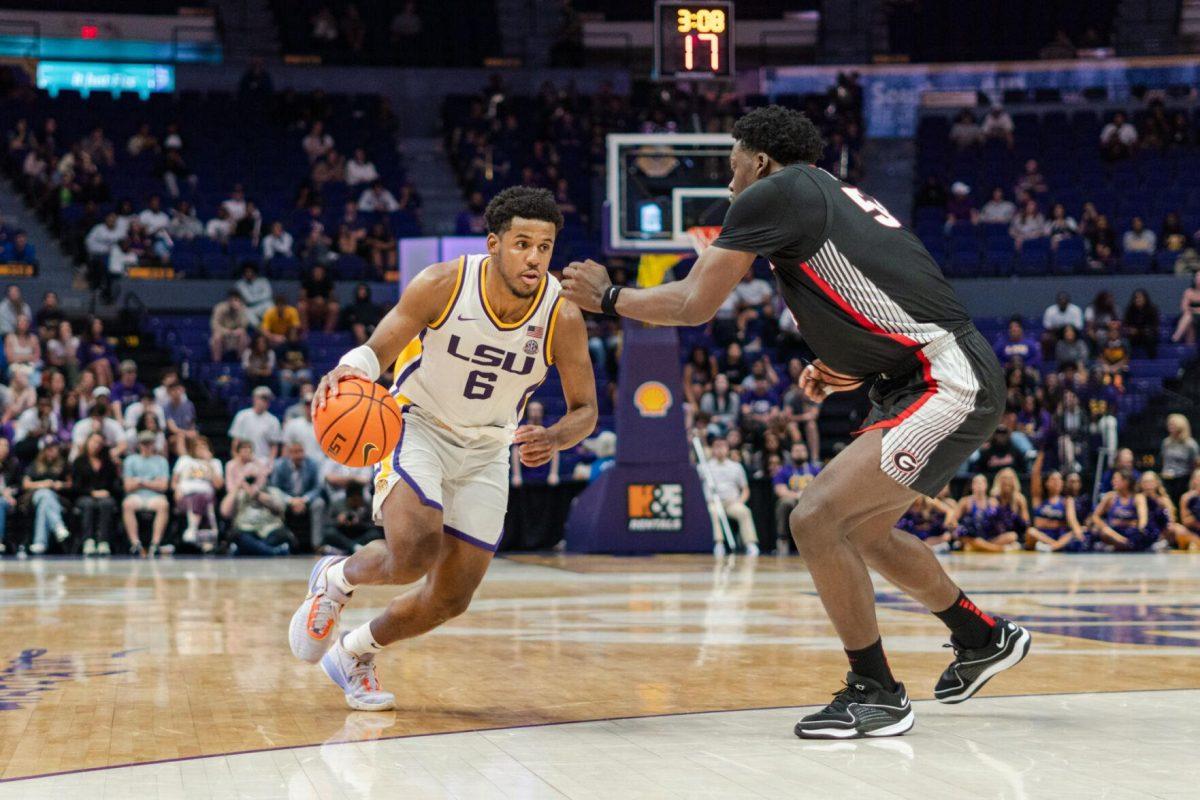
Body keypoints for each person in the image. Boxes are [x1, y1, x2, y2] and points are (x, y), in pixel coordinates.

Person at [559, 105, 1030, 739]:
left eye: (732, 167)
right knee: (864, 532)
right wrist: (849, 366)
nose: (729, 184)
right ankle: (981, 636)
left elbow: (696, 303)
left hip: (943, 380)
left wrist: (610, 299)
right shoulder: (830, 192)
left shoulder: (774, 192)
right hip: (926, 372)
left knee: (813, 518)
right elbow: (893, 293)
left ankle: (877, 691)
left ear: (758, 160)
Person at [289, 186, 597, 712]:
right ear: (494, 244)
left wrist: (555, 437)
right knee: (413, 554)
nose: (534, 258)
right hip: (417, 426)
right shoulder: (444, 283)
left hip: (488, 449)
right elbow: (379, 348)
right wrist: (349, 369)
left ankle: (354, 654)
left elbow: (585, 409)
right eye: (522, 244)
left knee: (452, 598)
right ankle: (336, 578)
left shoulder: (561, 315)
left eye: (544, 247)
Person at [704, 437, 759, 556]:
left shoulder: (736, 467)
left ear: (728, 448)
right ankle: (719, 544)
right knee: (713, 512)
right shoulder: (705, 467)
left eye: (723, 446)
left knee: (744, 512)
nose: (720, 449)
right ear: (712, 449)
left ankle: (750, 544)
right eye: (716, 446)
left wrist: (740, 501)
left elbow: (745, 489)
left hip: (732, 503)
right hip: (713, 503)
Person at [270, 439, 327, 550]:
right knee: (275, 503)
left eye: (301, 451)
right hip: (287, 498)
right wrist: (290, 500)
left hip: (306, 498)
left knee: (319, 504)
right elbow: (274, 488)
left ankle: (317, 545)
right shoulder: (280, 465)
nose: (299, 455)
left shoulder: (313, 465)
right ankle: (282, 542)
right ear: (289, 453)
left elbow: (318, 487)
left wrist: (304, 500)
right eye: (295, 452)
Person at [73, 431, 121, 556]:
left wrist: (107, 491)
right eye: (94, 442)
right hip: (84, 495)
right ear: (88, 442)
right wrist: (92, 492)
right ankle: (88, 540)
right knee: (88, 504)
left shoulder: (108, 463)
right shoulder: (79, 461)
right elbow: (75, 486)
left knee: (107, 503)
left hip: (105, 495)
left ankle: (103, 541)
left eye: (100, 443)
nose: (96, 445)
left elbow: (114, 484)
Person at [1025, 453, 1086, 552]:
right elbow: (1035, 476)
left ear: (1062, 483)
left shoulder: (1067, 500)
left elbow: (1072, 520)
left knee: (1078, 530)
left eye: (1059, 480)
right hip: (1042, 536)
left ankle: (1051, 547)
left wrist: (1078, 532)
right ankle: (1054, 546)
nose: (1056, 482)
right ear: (1047, 483)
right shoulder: (1039, 500)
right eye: (1053, 479)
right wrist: (1041, 455)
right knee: (1031, 532)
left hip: (1059, 535)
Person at [172, 435, 222, 552]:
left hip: (207, 497)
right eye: (198, 446)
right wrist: (177, 490)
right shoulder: (184, 460)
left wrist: (209, 463)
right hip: (185, 496)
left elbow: (218, 485)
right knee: (197, 498)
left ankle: (192, 530)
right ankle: (201, 535)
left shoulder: (215, 462)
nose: (201, 449)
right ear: (192, 448)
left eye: (204, 446)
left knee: (201, 497)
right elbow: (174, 482)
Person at [22, 438, 71, 555]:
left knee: (45, 504)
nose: (51, 451)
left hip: (57, 498)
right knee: (44, 493)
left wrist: (61, 485)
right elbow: (25, 484)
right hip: (34, 496)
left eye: (54, 448)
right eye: (48, 448)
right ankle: (58, 524)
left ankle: (40, 542)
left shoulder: (64, 464)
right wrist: (42, 484)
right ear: (43, 450)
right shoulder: (35, 464)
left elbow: (71, 483)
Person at [772, 442, 820, 554]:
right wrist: (798, 496)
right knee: (784, 503)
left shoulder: (815, 470)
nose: (799, 453)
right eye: (796, 451)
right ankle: (782, 539)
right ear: (791, 454)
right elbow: (780, 491)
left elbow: (823, 489)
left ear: (807, 453)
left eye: (802, 450)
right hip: (793, 500)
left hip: (812, 501)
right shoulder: (783, 471)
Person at [1091, 470, 1152, 551]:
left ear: (1126, 482)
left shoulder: (1138, 497)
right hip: (1114, 533)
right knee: (1104, 532)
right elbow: (1095, 516)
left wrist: (1141, 529)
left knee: (1142, 534)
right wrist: (1105, 527)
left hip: (1130, 532)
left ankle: (1122, 546)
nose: (1112, 482)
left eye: (1116, 479)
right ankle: (1124, 544)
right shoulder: (1110, 497)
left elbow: (1143, 518)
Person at [229, 386, 282, 462]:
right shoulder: (242, 416)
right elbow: (236, 441)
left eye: (267, 399)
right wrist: (236, 459)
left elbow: (274, 446)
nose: (265, 402)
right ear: (254, 398)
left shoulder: (273, 420)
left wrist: (270, 463)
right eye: (263, 398)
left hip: (263, 461)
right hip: (243, 460)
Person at [210, 291, 251, 362]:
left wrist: (239, 311)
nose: (235, 302)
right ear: (228, 300)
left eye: (237, 300)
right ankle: (217, 363)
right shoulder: (220, 308)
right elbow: (214, 325)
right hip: (223, 336)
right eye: (233, 300)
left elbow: (244, 325)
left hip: (236, 337)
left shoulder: (242, 308)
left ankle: (240, 362)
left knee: (243, 334)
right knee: (217, 336)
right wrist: (227, 331)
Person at [1123, 289, 1159, 358]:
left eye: (1140, 298)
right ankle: (1127, 361)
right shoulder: (1129, 310)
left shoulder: (1152, 309)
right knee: (1124, 340)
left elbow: (1154, 326)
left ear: (1145, 299)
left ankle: (1152, 360)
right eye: (1136, 298)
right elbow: (1126, 324)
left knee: (1150, 335)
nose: (1138, 300)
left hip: (1147, 334)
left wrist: (1139, 331)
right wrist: (1129, 330)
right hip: (1134, 337)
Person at [1171, 271, 1200, 345]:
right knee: (1189, 318)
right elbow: (1184, 307)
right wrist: (1194, 310)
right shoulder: (1188, 292)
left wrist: (1193, 309)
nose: (1199, 279)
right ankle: (1176, 338)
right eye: (1197, 277)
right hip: (1190, 317)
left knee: (1189, 317)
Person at [1177, 469, 1200, 550]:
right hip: (1193, 531)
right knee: (1179, 530)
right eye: (1198, 478)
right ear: (1194, 480)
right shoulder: (1186, 497)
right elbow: (1185, 521)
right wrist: (1195, 517)